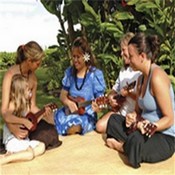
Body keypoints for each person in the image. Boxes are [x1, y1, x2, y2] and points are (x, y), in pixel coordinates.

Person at [106, 33, 175, 168]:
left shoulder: (157, 77)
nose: (129, 60)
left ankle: (122, 147)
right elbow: (137, 112)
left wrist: (149, 126)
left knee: (135, 140)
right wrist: (132, 117)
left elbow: (170, 119)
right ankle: (130, 146)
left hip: (163, 136)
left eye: (131, 56)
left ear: (142, 56)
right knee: (113, 120)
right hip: (141, 129)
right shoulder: (140, 79)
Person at [1, 41, 61, 152]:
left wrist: (43, 113)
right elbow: (4, 111)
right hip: (13, 121)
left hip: (27, 119)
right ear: (29, 61)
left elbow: (32, 106)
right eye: (37, 64)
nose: (39, 66)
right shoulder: (10, 75)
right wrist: (12, 127)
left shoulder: (33, 78)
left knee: (51, 132)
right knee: (42, 140)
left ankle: (28, 145)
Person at [53, 36, 106, 135]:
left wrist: (98, 108)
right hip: (69, 112)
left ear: (86, 56)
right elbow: (62, 96)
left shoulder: (95, 75)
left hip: (86, 115)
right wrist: (69, 103)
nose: (75, 60)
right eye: (73, 56)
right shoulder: (70, 72)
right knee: (51, 119)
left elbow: (100, 101)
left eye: (78, 57)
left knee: (74, 126)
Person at [96, 32, 141, 133]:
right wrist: (112, 98)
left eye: (123, 50)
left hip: (136, 115)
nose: (121, 54)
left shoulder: (140, 72)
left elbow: (144, 99)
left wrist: (129, 94)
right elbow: (113, 91)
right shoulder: (123, 71)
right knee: (99, 126)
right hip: (120, 112)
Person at [0, 74, 45, 165]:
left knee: (42, 146)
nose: (30, 92)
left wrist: (43, 113)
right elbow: (7, 116)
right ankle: (4, 160)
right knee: (29, 155)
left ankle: (14, 156)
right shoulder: (13, 105)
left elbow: (32, 122)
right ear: (20, 92)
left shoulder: (26, 106)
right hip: (12, 140)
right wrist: (23, 121)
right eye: (28, 90)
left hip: (24, 140)